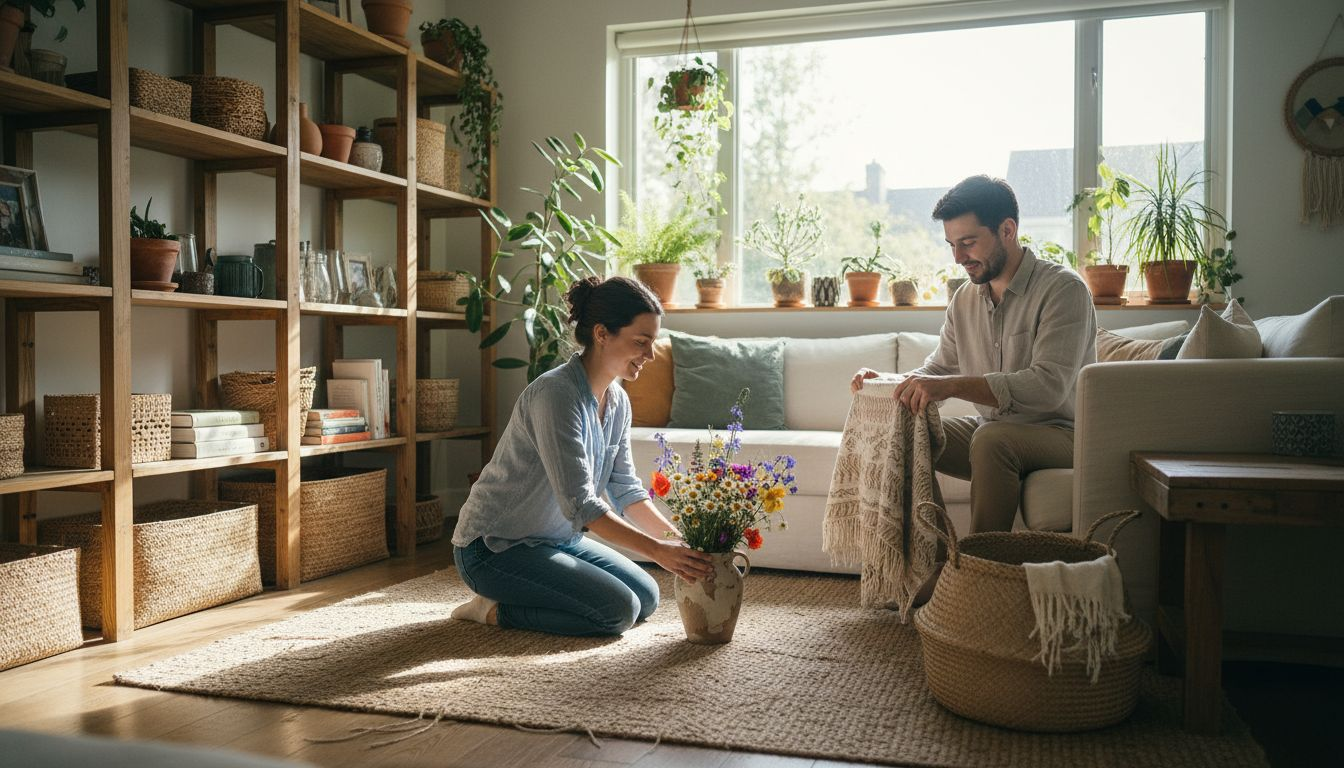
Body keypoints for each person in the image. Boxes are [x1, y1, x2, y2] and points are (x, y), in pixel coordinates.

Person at [450, 275, 714, 636]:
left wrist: (677, 544)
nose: (650, 356)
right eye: (641, 342)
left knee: (647, 597)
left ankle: (530, 594)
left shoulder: (618, 400)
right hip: (493, 549)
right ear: (602, 334)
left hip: (555, 541)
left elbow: (625, 489)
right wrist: (657, 551)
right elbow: (581, 506)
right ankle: (493, 611)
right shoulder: (556, 395)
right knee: (617, 613)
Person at [851, 174, 1096, 535]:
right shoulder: (964, 299)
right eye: (951, 244)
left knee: (991, 439)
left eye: (968, 242)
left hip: (1062, 434)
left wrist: (950, 386)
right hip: (992, 429)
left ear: (1007, 230)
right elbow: (937, 369)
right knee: (906, 430)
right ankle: (933, 559)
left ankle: (979, 570)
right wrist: (887, 383)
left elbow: (1048, 387)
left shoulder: (1063, 290)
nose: (957, 257)